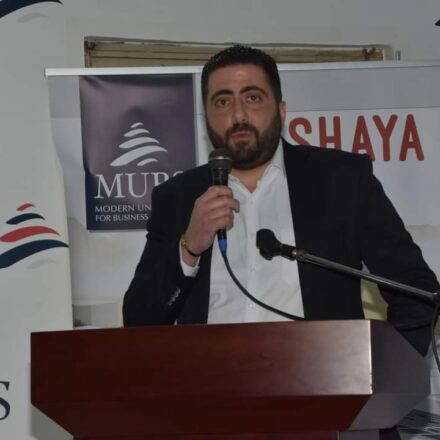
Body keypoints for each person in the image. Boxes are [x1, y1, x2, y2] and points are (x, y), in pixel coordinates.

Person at [123, 45, 439, 439]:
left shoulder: (341, 180)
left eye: (253, 98)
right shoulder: (177, 198)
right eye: (223, 101)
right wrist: (189, 247)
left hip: (326, 413)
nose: (238, 115)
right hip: (211, 417)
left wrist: (382, 382)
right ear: (207, 118)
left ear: (282, 110)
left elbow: (416, 291)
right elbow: (139, 319)